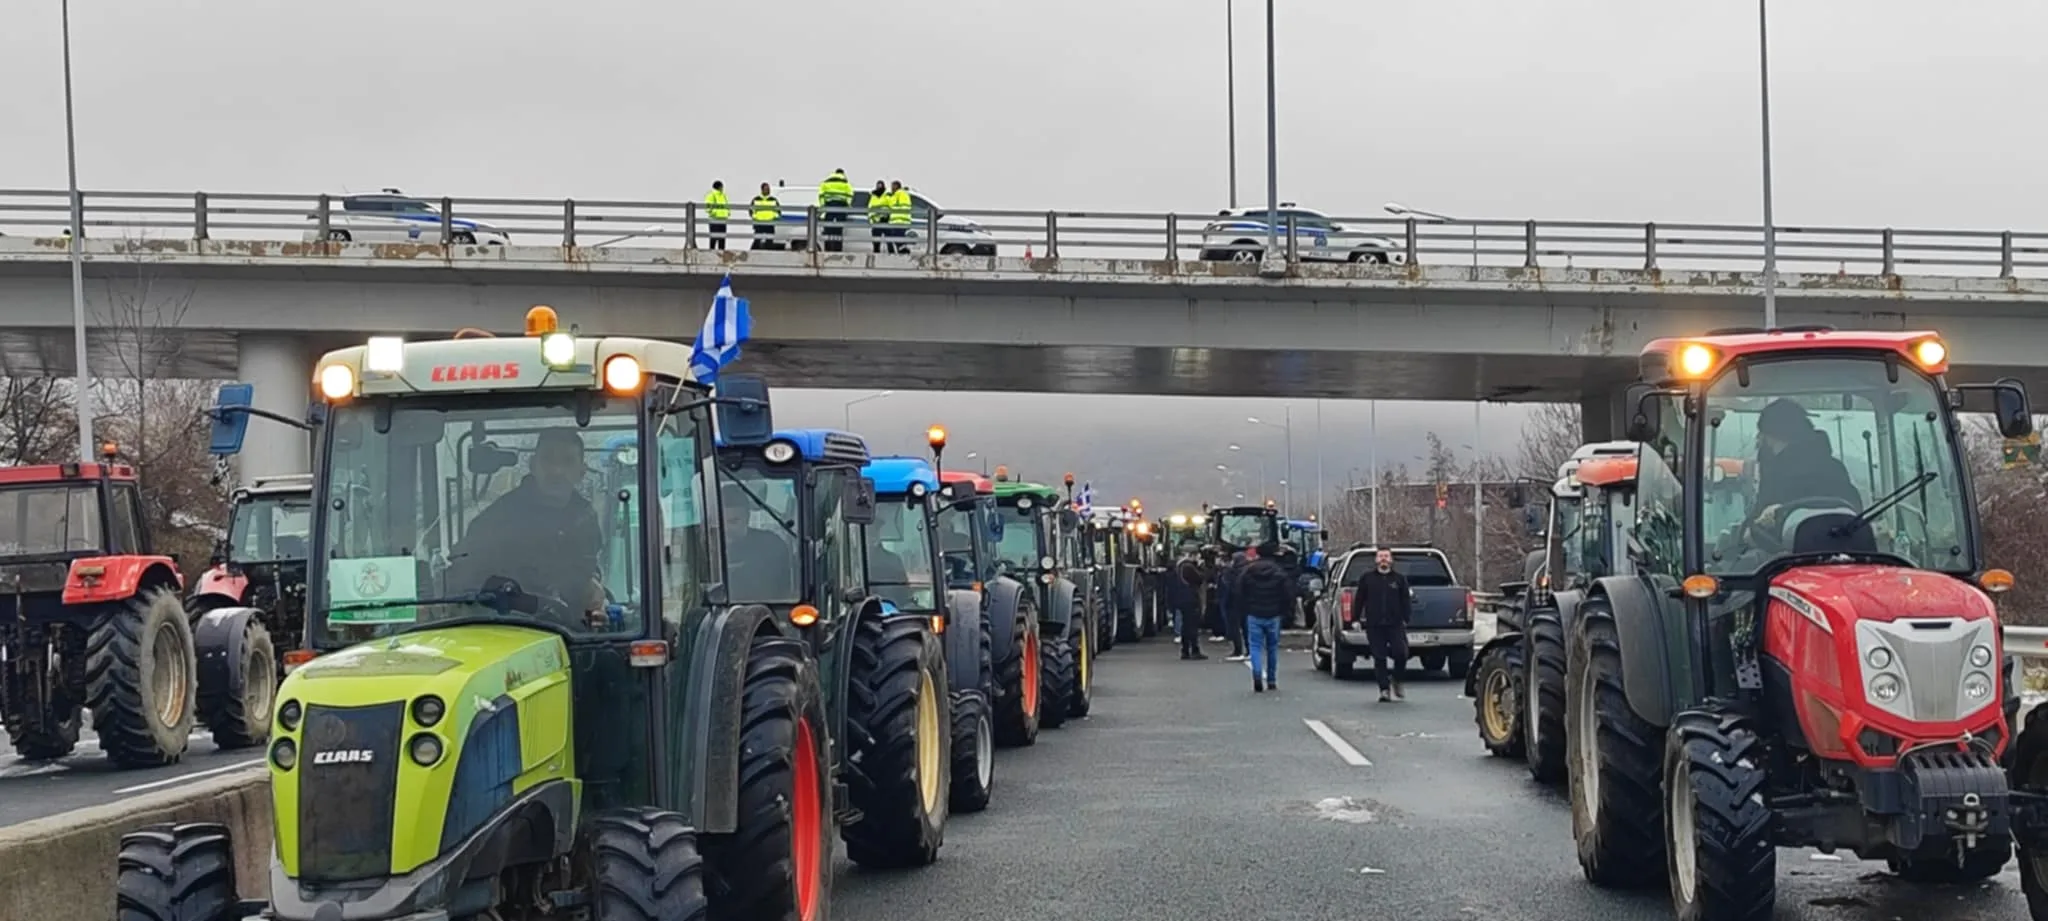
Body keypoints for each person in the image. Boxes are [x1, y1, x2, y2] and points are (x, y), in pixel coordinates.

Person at [445, 429, 606, 629]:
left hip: (571, 631)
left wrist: (593, 587)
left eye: (567, 462)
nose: (556, 470)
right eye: (548, 460)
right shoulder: (495, 520)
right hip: (509, 627)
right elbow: (463, 581)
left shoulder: (585, 517)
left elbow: (586, 568)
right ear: (532, 466)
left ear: (581, 472)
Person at [1744, 398, 1865, 545]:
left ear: (1771, 437)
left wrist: (1747, 531)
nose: (1760, 442)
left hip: (1785, 561)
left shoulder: (1775, 475)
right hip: (1846, 557)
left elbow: (1758, 532)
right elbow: (1856, 514)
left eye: (1763, 436)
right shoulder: (1836, 469)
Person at [1350, 548, 1412, 702]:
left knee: (1401, 653)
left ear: (1391, 560)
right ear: (1376, 560)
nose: (1383, 559)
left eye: (1386, 556)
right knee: (1379, 657)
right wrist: (1355, 618)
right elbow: (1359, 599)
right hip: (1374, 624)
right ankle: (1384, 689)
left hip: (1395, 623)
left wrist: (1406, 618)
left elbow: (1405, 600)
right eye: (1380, 556)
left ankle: (1397, 679)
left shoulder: (1399, 579)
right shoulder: (1367, 578)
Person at [720, 485, 799, 601]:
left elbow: (787, 592)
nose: (727, 528)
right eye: (722, 522)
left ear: (747, 517)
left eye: (733, 521)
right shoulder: (705, 551)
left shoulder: (772, 546)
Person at [1236, 542, 1294, 692]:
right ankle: (1272, 680)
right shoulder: (1279, 573)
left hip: (1254, 614)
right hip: (1274, 615)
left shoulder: (1248, 572)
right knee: (1272, 648)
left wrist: (1246, 609)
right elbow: (1288, 595)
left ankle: (1256, 673)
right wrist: (1284, 611)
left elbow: (1240, 592)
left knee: (1255, 646)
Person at [1165, 557, 1207, 660]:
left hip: (1181, 600)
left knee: (1186, 626)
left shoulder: (1178, 569)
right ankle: (1194, 650)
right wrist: (1201, 569)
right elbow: (1200, 578)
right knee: (1192, 626)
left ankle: (1185, 650)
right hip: (1190, 599)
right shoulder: (1188, 567)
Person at [1217, 549, 1250, 660]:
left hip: (1232, 603)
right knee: (1246, 628)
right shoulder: (1249, 571)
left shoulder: (1230, 572)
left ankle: (1238, 650)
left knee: (1234, 627)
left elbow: (1227, 588)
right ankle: (1249, 650)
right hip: (1246, 603)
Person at [818, 169, 854, 253]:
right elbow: (850, 195)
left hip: (829, 206)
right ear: (842, 174)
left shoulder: (826, 182)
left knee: (828, 229)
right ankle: (838, 249)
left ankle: (828, 248)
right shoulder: (845, 183)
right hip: (841, 206)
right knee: (838, 229)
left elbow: (821, 195)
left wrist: (823, 205)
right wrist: (847, 205)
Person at [749, 182, 781, 251]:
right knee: (757, 240)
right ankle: (753, 253)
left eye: (768, 189)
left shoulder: (773, 200)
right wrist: (755, 217)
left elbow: (778, 211)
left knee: (770, 240)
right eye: (766, 189)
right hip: (759, 223)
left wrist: (773, 217)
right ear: (762, 190)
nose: (768, 190)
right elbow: (751, 210)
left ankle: (768, 254)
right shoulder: (756, 199)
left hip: (769, 223)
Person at [886, 179, 915, 253]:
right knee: (898, 237)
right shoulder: (903, 194)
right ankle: (902, 250)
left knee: (897, 237)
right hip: (902, 220)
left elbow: (892, 204)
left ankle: (904, 250)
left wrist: (887, 197)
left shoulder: (898, 194)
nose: (891, 188)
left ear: (896, 186)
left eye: (892, 186)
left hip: (899, 220)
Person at [865, 180, 892, 253]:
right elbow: (870, 209)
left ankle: (891, 254)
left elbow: (891, 207)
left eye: (880, 186)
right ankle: (876, 254)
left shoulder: (887, 195)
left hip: (886, 221)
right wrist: (872, 221)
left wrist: (889, 218)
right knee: (876, 243)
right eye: (878, 186)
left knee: (889, 240)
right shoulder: (873, 197)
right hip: (876, 222)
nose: (879, 187)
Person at [703, 180, 729, 250]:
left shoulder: (723, 195)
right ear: (720, 187)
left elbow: (726, 206)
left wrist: (727, 213)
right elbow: (708, 208)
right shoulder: (711, 195)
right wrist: (715, 213)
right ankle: (712, 252)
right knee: (714, 238)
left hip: (723, 219)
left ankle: (721, 252)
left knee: (722, 238)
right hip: (715, 219)